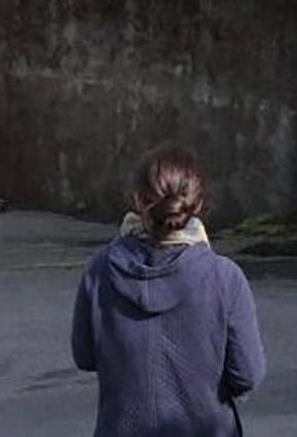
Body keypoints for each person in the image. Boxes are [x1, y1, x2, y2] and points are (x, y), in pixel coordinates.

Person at [71, 142, 265, 436]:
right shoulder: (225, 278)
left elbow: (85, 356)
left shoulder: (99, 271)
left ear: (138, 199)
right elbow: (247, 374)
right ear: (197, 204)